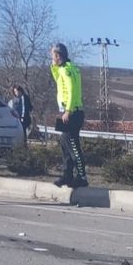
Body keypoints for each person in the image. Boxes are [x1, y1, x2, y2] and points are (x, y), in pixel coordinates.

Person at [50, 43, 88, 188]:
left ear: (58, 56)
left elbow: (71, 91)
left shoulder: (66, 71)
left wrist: (68, 110)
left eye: (53, 55)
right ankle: (67, 175)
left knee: (72, 145)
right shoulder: (68, 68)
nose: (51, 58)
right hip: (69, 111)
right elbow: (57, 79)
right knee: (65, 143)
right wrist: (54, 66)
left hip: (72, 112)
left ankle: (82, 176)